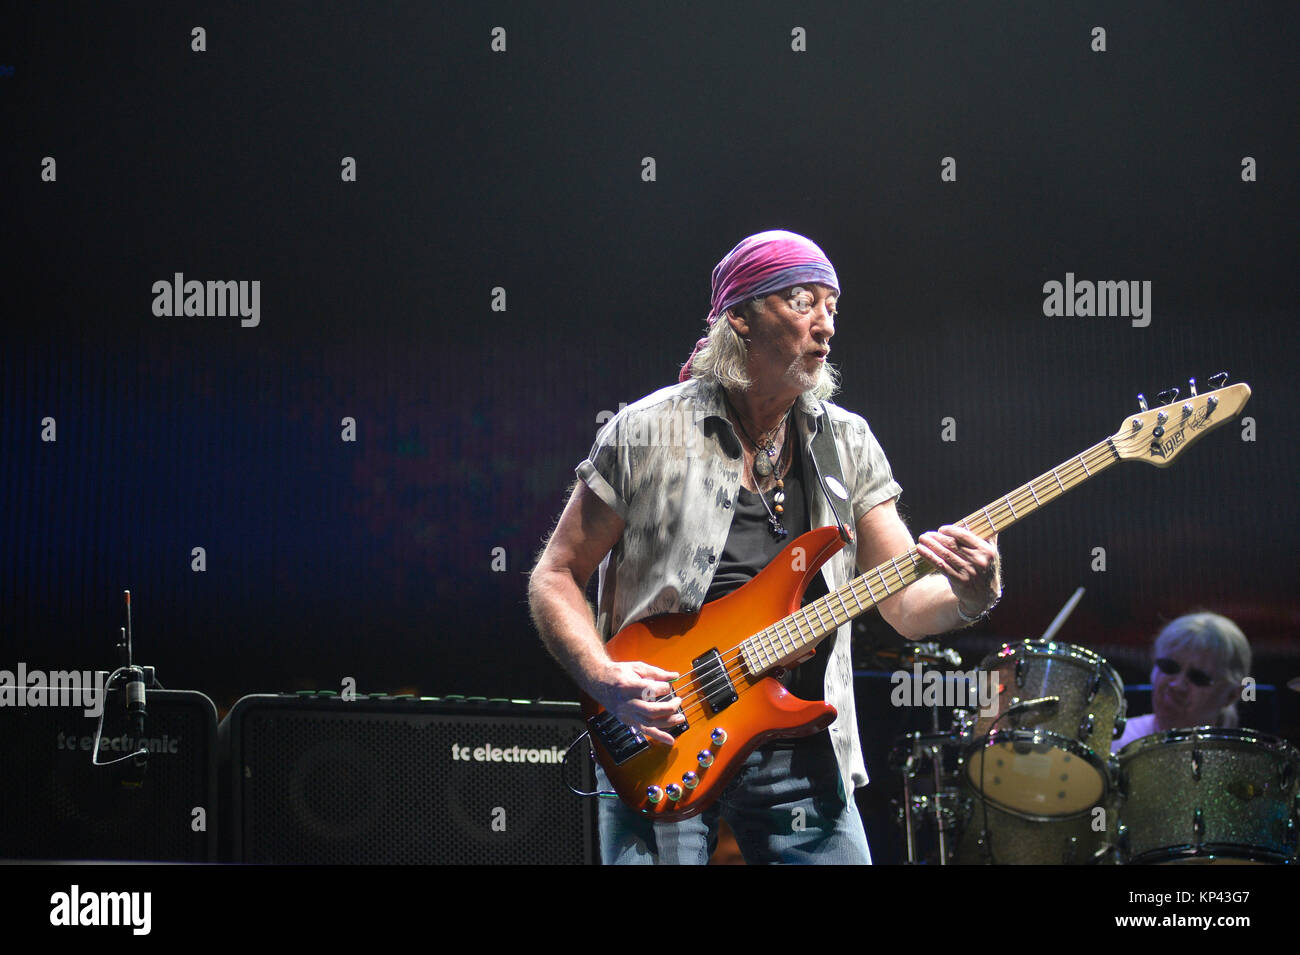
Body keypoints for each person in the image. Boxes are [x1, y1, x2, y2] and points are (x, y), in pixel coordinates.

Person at [528, 230, 1001, 864]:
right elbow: (556, 574)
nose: (826, 327)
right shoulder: (648, 430)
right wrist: (602, 678)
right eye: (803, 302)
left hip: (800, 745)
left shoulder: (848, 443)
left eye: (832, 306)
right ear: (740, 318)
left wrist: (973, 593)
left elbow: (906, 605)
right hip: (665, 737)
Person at [1111, 612, 1252, 752]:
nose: (1177, 685)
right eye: (1169, 667)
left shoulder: (1246, 761)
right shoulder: (1114, 744)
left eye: (1198, 677)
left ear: (1231, 695)